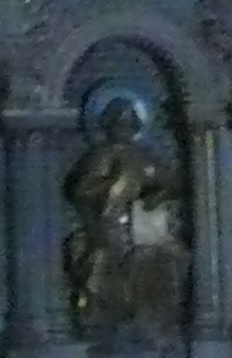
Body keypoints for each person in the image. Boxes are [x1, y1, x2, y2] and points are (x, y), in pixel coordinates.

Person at [62, 96, 186, 337]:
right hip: (106, 225)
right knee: (98, 263)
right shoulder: (100, 155)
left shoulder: (145, 155)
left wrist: (157, 196)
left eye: (129, 124)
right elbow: (81, 191)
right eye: (119, 124)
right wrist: (113, 182)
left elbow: (171, 183)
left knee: (171, 257)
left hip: (143, 226)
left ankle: (155, 319)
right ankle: (92, 317)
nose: (124, 129)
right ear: (108, 127)